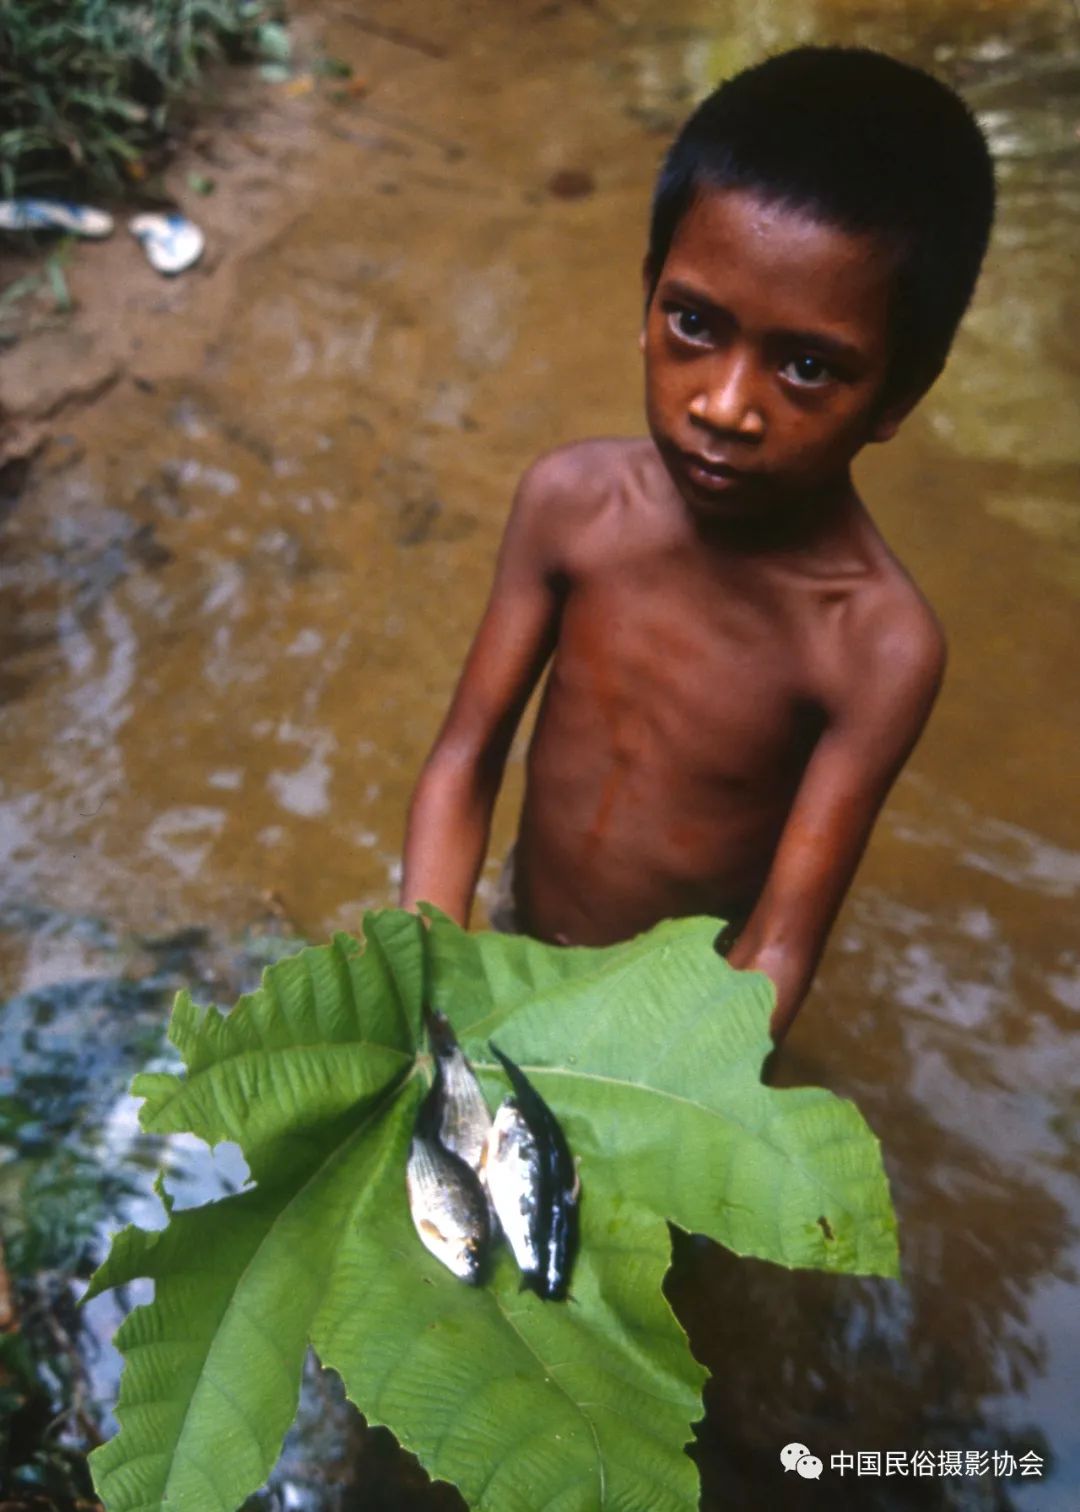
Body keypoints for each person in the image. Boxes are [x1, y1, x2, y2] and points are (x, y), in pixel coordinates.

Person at [399, 46, 995, 1042]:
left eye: (807, 367)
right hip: (518, 937)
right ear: (646, 297)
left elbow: (776, 949)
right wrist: (425, 989)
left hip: (672, 1027)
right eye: (692, 322)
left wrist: (668, 1102)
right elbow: (464, 763)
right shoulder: (570, 505)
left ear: (899, 393)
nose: (725, 407)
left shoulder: (874, 645)